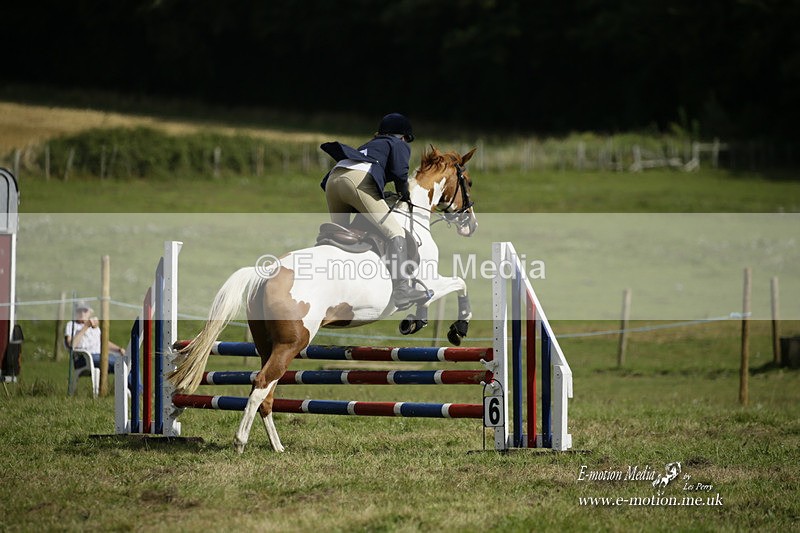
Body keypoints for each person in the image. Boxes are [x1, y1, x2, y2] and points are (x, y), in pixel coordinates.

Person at [320, 112, 430, 309]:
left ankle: (326, 276)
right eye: (406, 139)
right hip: (357, 181)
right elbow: (400, 174)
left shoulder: (370, 145)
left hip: (333, 180)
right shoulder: (398, 144)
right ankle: (402, 290)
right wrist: (404, 194)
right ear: (403, 136)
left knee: (340, 235)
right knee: (395, 232)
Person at [64, 302, 126, 372]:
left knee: (127, 363)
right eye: (79, 311)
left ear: (90, 312)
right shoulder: (71, 325)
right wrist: (86, 327)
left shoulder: (94, 327)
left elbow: (103, 342)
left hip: (99, 356)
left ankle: (132, 379)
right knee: (119, 363)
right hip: (84, 358)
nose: (82, 313)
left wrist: (119, 349)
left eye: (85, 311)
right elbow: (71, 345)